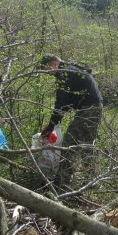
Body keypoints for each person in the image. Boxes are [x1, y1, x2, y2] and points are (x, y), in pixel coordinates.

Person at [39, 54, 103, 187]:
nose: (48, 73)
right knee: (86, 143)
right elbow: (66, 102)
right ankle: (91, 180)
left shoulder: (65, 73)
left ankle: (63, 181)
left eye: (47, 69)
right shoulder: (72, 69)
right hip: (95, 107)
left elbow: (61, 103)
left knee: (69, 143)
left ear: (54, 63)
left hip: (88, 109)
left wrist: (50, 126)